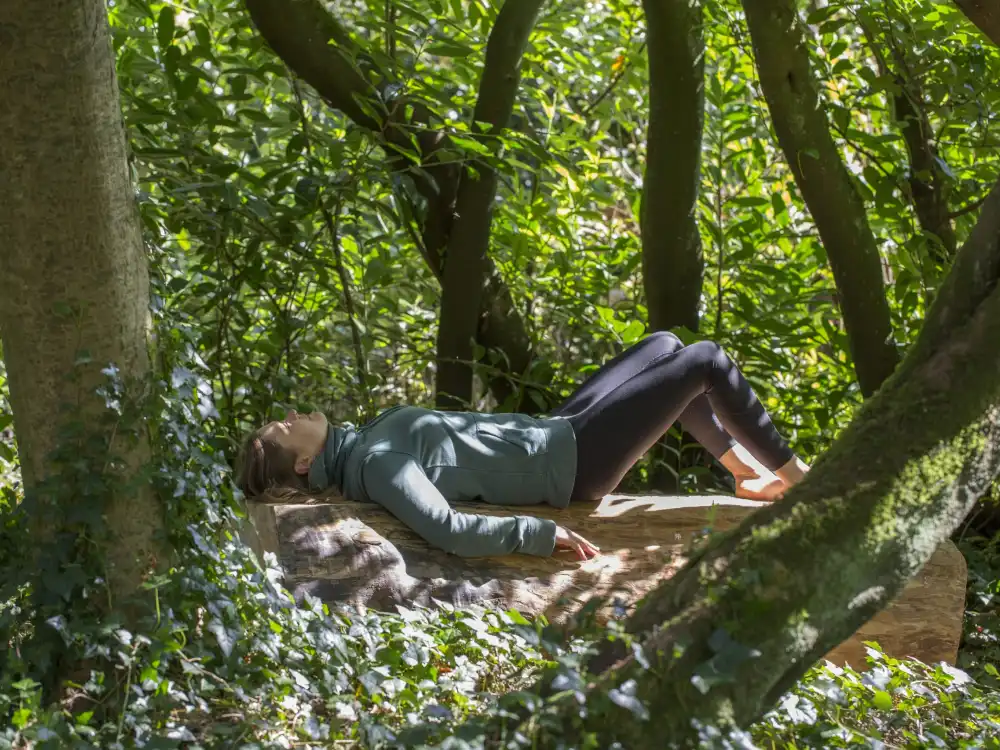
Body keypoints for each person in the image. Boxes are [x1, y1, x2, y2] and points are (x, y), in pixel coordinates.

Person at [236, 332, 810, 561]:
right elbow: (447, 528)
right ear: (308, 462)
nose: (290, 415)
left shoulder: (364, 443)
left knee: (667, 344)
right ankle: (807, 481)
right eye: (283, 428)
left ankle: (744, 472)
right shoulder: (379, 463)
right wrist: (537, 533)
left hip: (555, 431)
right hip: (574, 463)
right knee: (704, 361)